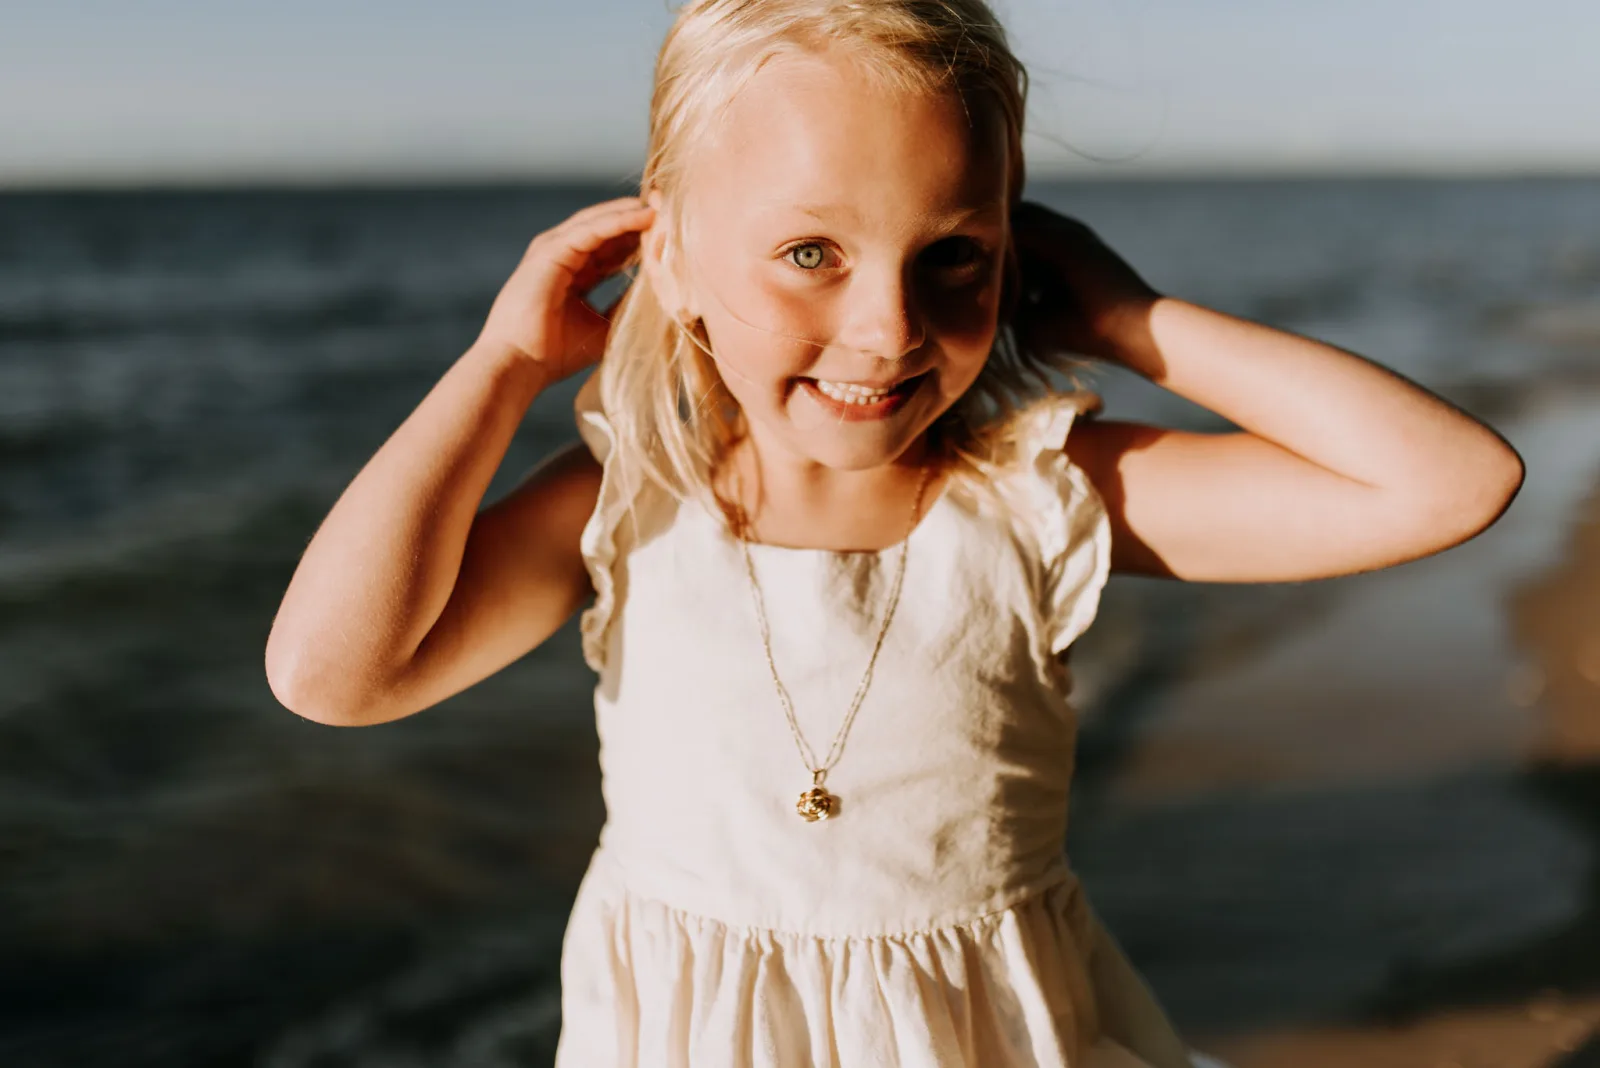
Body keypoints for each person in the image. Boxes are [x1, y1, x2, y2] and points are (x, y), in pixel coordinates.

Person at [265, 1, 1525, 1064]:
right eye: (811, 250)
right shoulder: (624, 501)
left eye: (953, 255)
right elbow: (335, 676)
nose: (889, 326)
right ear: (674, 253)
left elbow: (1446, 484)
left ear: (1019, 252)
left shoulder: (1035, 495)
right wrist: (500, 366)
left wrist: (1133, 321)